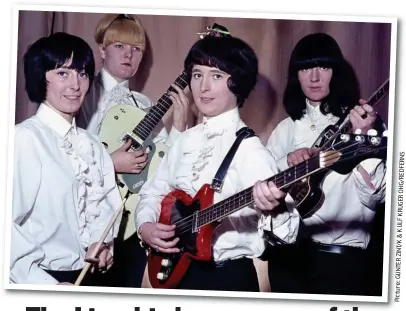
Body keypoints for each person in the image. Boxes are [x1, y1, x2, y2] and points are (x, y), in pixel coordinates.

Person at [135, 33, 300, 291]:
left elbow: (287, 234)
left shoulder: (251, 150)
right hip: (178, 273)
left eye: (217, 76)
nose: (203, 87)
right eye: (198, 74)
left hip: (226, 280)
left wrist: (274, 207)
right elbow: (152, 193)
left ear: (238, 84)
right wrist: (145, 226)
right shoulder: (184, 140)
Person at [263, 33, 386, 295]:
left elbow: (375, 196)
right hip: (287, 263)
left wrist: (362, 140)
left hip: (343, 265)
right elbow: (262, 193)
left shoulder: (364, 124)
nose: (314, 77)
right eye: (306, 68)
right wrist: (289, 162)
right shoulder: (285, 129)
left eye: (324, 67)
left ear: (336, 72)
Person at [75, 13, 190, 288]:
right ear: (102, 49)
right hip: (84, 220)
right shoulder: (78, 92)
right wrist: (110, 163)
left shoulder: (143, 103)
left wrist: (179, 128)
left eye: (137, 49)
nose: (129, 55)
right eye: (119, 46)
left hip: (129, 225)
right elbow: (62, 155)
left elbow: (162, 166)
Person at [10, 32, 122, 285]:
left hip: (88, 279)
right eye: (63, 73)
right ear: (41, 77)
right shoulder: (24, 139)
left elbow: (107, 205)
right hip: (39, 281)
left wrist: (101, 244)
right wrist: (44, 286)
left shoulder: (93, 144)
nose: (75, 85)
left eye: (82, 73)